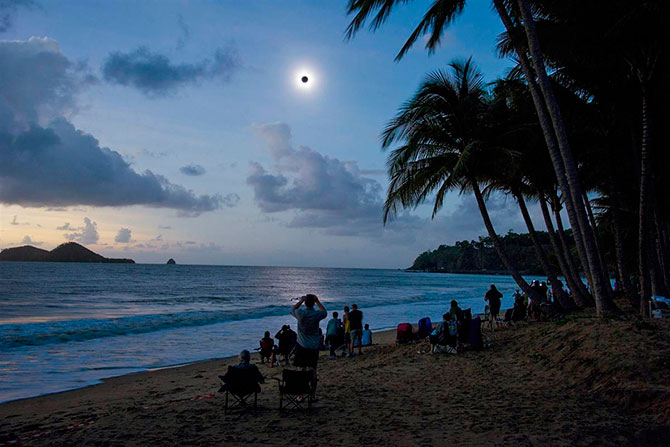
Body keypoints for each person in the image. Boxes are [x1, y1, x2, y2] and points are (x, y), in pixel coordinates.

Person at [290, 294, 327, 372]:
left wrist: (301, 301)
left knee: (301, 368)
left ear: (305, 303)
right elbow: (324, 312)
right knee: (312, 368)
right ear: (313, 303)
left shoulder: (300, 313)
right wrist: (317, 301)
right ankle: (312, 379)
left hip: (302, 344)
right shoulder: (316, 314)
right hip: (314, 345)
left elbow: (292, 309)